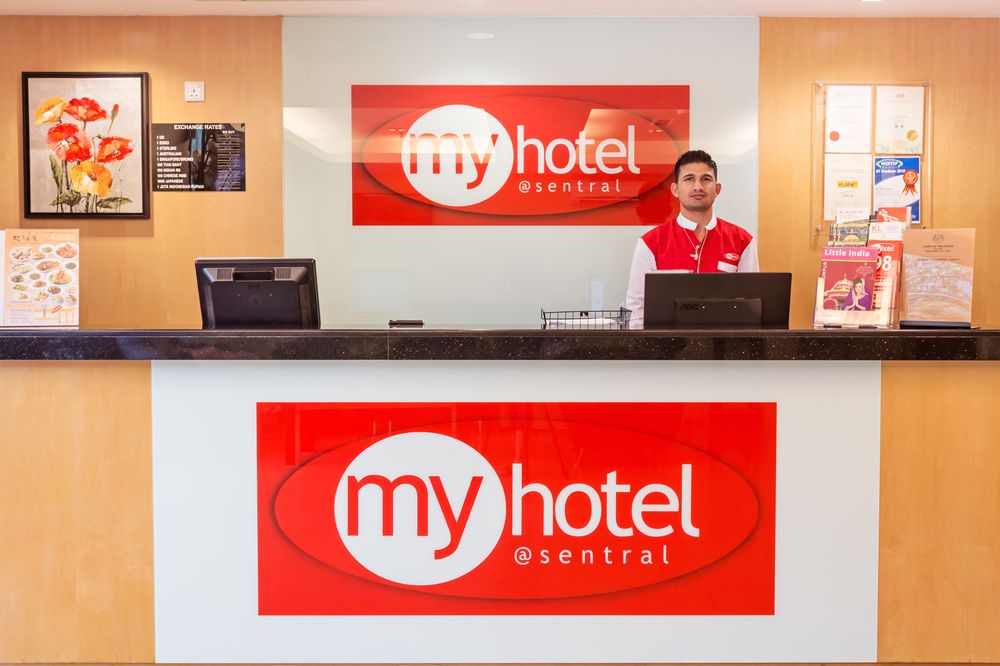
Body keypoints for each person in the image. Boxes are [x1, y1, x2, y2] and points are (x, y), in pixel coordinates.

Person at [625, 149, 759, 328]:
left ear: (717, 189)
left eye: (706, 179)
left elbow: (751, 304)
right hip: (666, 343)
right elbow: (637, 308)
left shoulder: (742, 241)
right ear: (675, 189)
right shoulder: (650, 242)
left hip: (725, 342)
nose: (698, 186)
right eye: (689, 179)